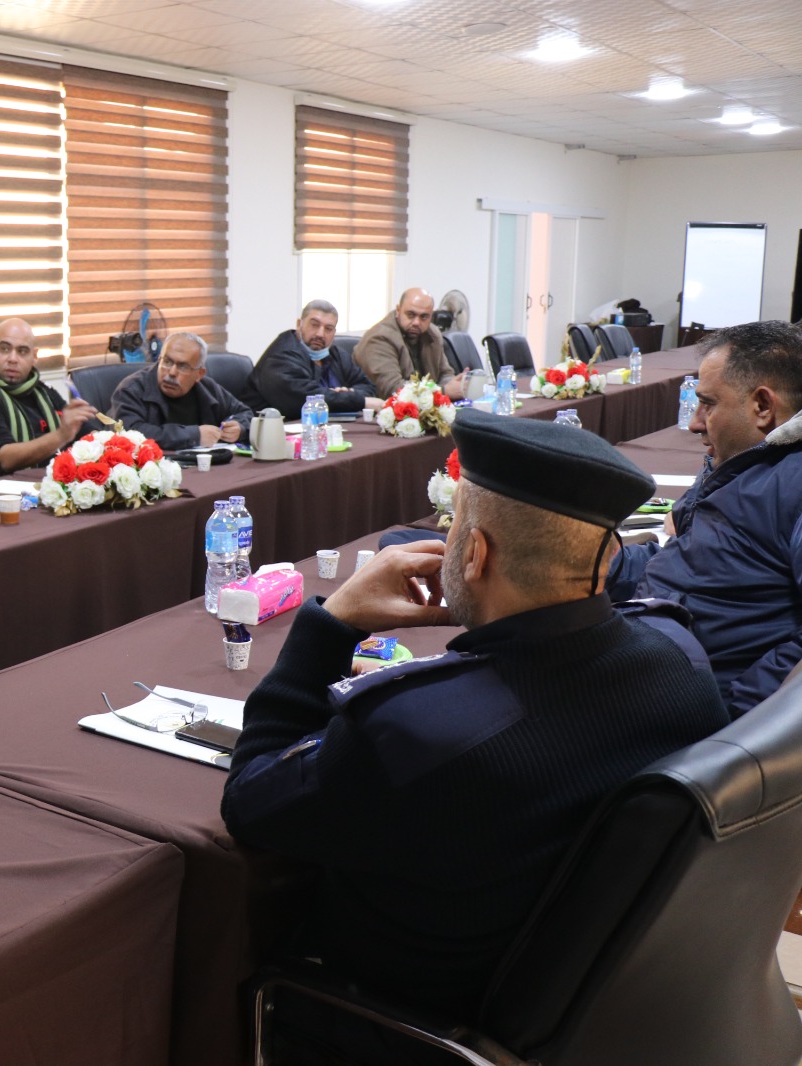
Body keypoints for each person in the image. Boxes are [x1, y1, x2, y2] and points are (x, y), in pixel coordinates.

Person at [222, 409, 726, 1063]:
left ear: (476, 553)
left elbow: (251, 801)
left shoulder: (417, 731)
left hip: (401, 1026)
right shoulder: (681, 655)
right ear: (606, 559)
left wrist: (333, 623)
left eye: (455, 525)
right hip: (600, 1017)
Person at [608, 320, 802, 716]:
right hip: (648, 667)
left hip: (691, 711)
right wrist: (603, 567)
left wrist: (736, 721)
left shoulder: (792, 482)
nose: (695, 422)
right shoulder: (740, 464)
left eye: (708, 403)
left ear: (763, 407)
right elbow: (695, 561)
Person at [0, 318, 99, 481]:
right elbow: (5, 458)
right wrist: (61, 435)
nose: (12, 359)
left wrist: (102, 441)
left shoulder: (44, 392)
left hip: (48, 485)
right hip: (0, 491)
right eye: (4, 349)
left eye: (22, 351)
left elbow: (81, 430)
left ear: (34, 356)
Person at [108, 331, 253, 451]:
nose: (171, 372)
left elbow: (245, 413)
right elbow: (130, 434)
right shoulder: (132, 389)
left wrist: (239, 428)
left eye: (183, 366)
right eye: (167, 362)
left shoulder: (207, 388)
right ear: (159, 359)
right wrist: (194, 435)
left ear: (199, 374)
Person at [239, 300, 383, 415]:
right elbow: (307, 398)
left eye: (328, 329)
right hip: (275, 433)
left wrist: (348, 394)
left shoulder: (335, 354)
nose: (320, 334)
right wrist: (356, 400)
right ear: (299, 324)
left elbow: (368, 387)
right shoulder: (280, 357)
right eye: (314, 325)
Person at [353, 288, 466, 399]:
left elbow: (444, 374)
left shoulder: (433, 334)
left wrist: (458, 384)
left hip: (425, 406)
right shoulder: (379, 338)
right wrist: (443, 391)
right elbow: (392, 389)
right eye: (411, 315)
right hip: (384, 408)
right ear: (398, 310)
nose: (416, 322)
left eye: (424, 317)